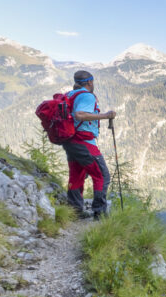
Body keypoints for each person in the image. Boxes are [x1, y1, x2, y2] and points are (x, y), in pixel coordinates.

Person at [63, 70, 116, 220]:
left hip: (70, 142)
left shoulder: (69, 95)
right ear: (90, 82)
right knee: (102, 175)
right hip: (83, 141)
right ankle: (99, 213)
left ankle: (74, 211)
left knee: (76, 175)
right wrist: (106, 116)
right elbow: (80, 115)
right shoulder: (86, 95)